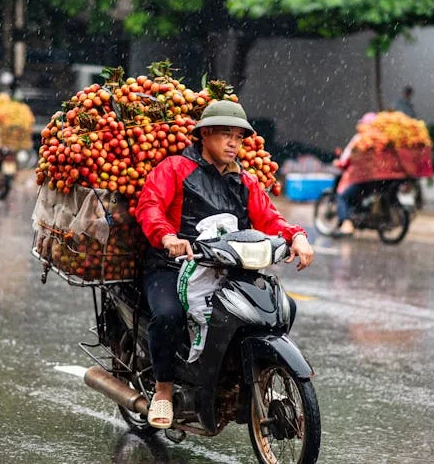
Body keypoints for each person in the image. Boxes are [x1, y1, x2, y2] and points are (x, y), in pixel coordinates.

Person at [135, 100, 314, 429]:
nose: (234, 143)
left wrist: (296, 236)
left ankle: (247, 378)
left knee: (275, 310)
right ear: (204, 135)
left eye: (239, 137)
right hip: (171, 268)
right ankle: (163, 390)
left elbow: (270, 218)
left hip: (226, 270)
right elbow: (150, 206)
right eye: (225, 135)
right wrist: (167, 237)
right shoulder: (175, 168)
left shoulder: (244, 181)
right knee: (169, 315)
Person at [334, 112, 379, 235]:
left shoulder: (360, 139)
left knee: (342, 196)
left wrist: (339, 163)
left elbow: (346, 158)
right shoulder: (379, 141)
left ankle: (346, 225)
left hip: (358, 178)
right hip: (376, 180)